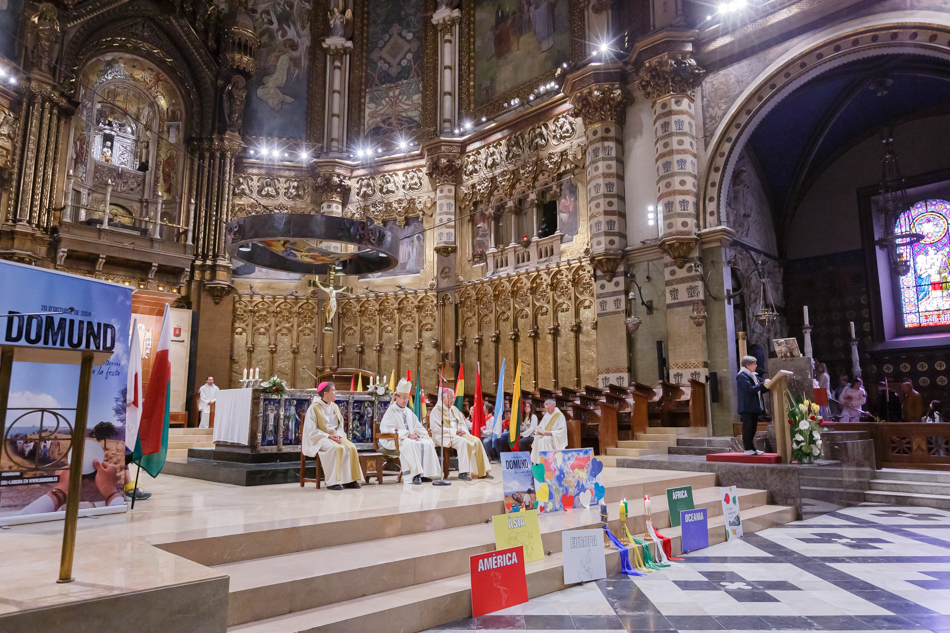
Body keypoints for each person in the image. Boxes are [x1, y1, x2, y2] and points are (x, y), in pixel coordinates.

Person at [303, 382, 363, 490]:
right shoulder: (314, 408)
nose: (336, 392)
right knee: (335, 448)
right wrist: (328, 436)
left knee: (351, 447)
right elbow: (311, 430)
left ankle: (350, 480)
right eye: (334, 390)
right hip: (319, 438)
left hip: (335, 436)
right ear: (326, 394)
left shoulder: (334, 407)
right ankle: (332, 482)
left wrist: (338, 435)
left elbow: (339, 426)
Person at [379, 379, 441, 484]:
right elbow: (388, 429)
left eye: (407, 398)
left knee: (427, 443)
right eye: (403, 398)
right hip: (395, 440)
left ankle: (425, 474)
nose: (405, 401)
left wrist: (421, 435)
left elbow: (418, 426)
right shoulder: (391, 411)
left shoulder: (408, 412)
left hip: (409, 438)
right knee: (410, 443)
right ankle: (414, 475)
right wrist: (407, 435)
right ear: (397, 398)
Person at [429, 388, 493, 481]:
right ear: (444, 398)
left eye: (453, 398)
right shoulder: (436, 410)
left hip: (457, 434)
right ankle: (463, 472)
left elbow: (462, 423)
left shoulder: (454, 409)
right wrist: (454, 431)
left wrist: (461, 431)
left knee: (477, 441)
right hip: (444, 436)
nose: (453, 400)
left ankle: (482, 471)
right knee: (463, 442)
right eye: (451, 398)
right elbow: (436, 428)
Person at [736, 355, 771, 455]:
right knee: (748, 428)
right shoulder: (742, 376)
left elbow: (758, 389)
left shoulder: (751, 375)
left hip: (753, 406)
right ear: (747, 365)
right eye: (753, 364)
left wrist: (767, 386)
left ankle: (752, 448)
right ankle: (747, 448)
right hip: (747, 406)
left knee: (753, 428)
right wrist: (763, 383)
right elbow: (750, 389)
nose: (756, 366)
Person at [530, 399, 568, 464]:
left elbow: (562, 431)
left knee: (545, 440)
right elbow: (541, 426)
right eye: (546, 408)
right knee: (537, 438)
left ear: (554, 405)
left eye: (549, 408)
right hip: (546, 435)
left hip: (554, 438)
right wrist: (539, 431)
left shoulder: (560, 416)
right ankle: (536, 462)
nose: (547, 410)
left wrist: (551, 433)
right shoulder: (547, 415)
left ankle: (547, 462)